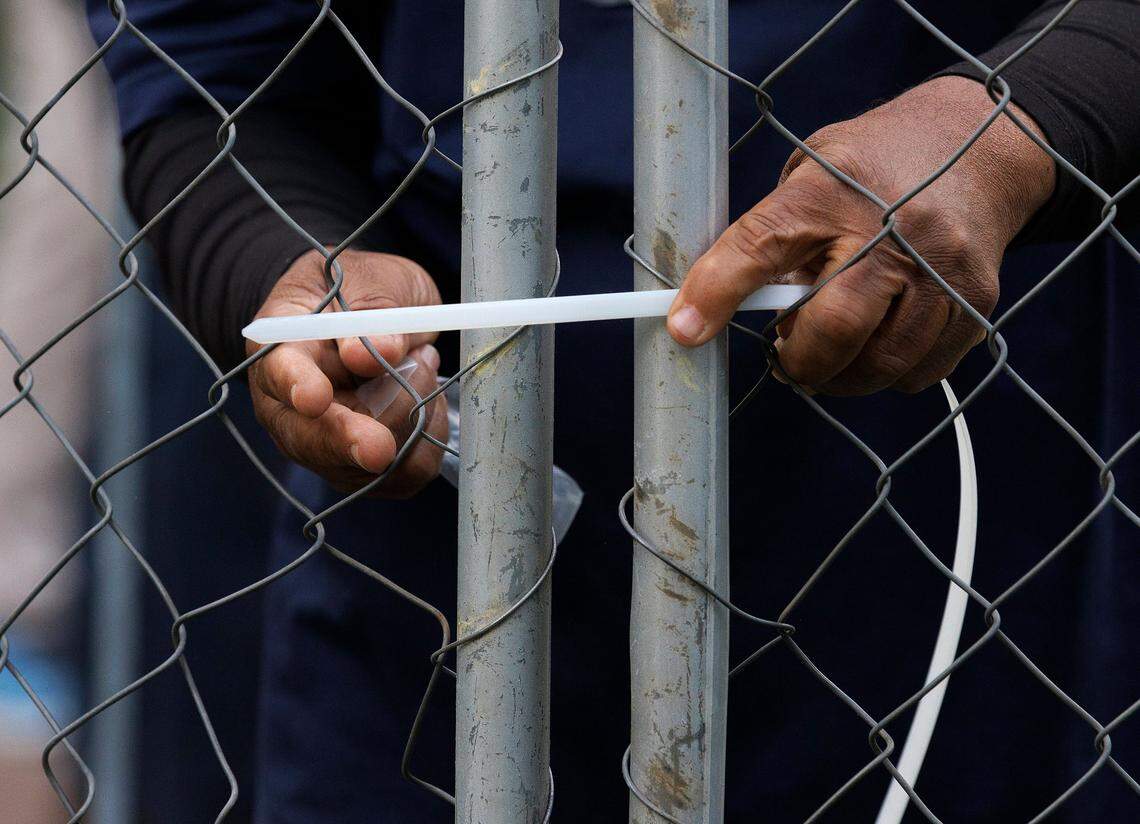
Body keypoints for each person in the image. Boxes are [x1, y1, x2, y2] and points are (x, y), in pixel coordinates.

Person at [88, 1, 1138, 821]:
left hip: (969, 523)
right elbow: (207, 72)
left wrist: (1009, 125)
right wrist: (287, 273)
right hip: (431, 574)